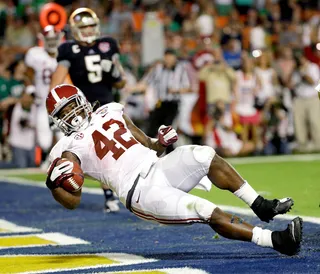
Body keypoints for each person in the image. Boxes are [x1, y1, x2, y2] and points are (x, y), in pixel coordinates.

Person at [45, 84, 302, 256]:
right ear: (57, 119)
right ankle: (276, 241)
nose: (72, 112)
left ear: (82, 99)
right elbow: (71, 201)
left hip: (158, 166)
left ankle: (260, 205)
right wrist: (55, 185)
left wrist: (162, 142)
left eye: (72, 104)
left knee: (202, 154)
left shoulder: (110, 110)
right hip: (140, 191)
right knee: (204, 210)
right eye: (64, 111)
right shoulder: (66, 148)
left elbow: (149, 145)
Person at [49, 8, 127, 213]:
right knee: (97, 153)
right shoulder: (68, 49)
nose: (88, 30)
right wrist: (54, 110)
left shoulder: (108, 44)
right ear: (74, 29)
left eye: (91, 25)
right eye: (83, 27)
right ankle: (108, 195)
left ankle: (126, 189)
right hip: (81, 112)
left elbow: (121, 82)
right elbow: (57, 81)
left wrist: (114, 73)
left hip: (108, 106)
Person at [24, 25, 64, 156]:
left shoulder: (65, 54)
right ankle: (47, 157)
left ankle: (56, 160)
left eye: (54, 39)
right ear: (43, 39)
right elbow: (28, 73)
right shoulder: (36, 54)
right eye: (49, 39)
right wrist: (31, 90)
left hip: (62, 104)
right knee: (44, 142)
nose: (52, 42)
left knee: (63, 138)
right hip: (43, 103)